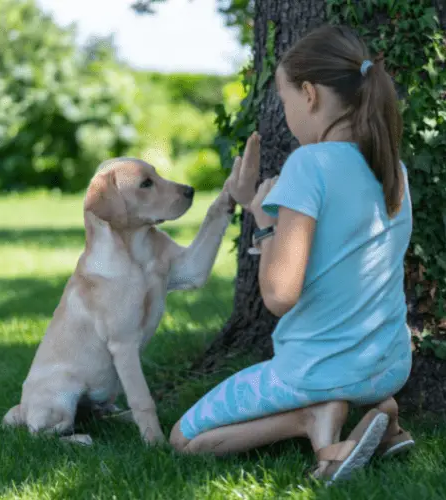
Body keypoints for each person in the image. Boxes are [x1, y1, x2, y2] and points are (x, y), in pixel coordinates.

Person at [169, 24, 415, 484]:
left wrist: (262, 220)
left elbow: (280, 295)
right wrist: (252, 204)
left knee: (184, 440)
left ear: (309, 95)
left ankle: (313, 417)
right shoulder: (392, 168)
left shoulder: (309, 164)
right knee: (354, 380)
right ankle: (384, 419)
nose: (285, 117)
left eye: (284, 102)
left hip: (320, 370)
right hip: (389, 364)